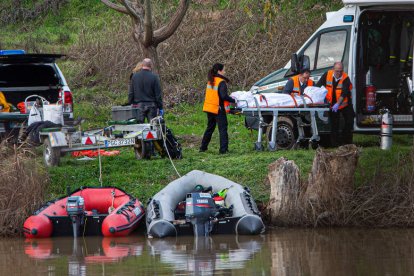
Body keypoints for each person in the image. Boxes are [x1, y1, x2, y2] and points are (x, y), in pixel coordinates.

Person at [200, 63, 235, 154]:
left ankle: (203, 148)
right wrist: (233, 100)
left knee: (210, 128)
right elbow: (223, 96)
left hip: (209, 108)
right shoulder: (221, 82)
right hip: (218, 109)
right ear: (219, 71)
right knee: (223, 129)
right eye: (224, 70)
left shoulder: (211, 80)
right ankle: (223, 150)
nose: (225, 72)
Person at [316, 61, 354, 146]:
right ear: (333, 69)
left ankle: (347, 142)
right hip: (332, 104)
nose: (339, 73)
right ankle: (335, 144)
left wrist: (338, 104)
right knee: (334, 124)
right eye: (337, 71)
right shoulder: (327, 74)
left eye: (341, 71)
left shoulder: (345, 78)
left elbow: (344, 93)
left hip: (344, 104)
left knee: (349, 121)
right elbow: (318, 86)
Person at [128, 58, 163, 123]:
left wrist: (130, 103)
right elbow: (158, 94)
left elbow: (131, 93)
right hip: (152, 105)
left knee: (139, 128)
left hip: (138, 106)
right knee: (153, 126)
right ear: (151, 65)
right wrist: (160, 107)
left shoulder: (135, 77)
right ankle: (151, 133)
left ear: (142, 65)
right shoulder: (154, 77)